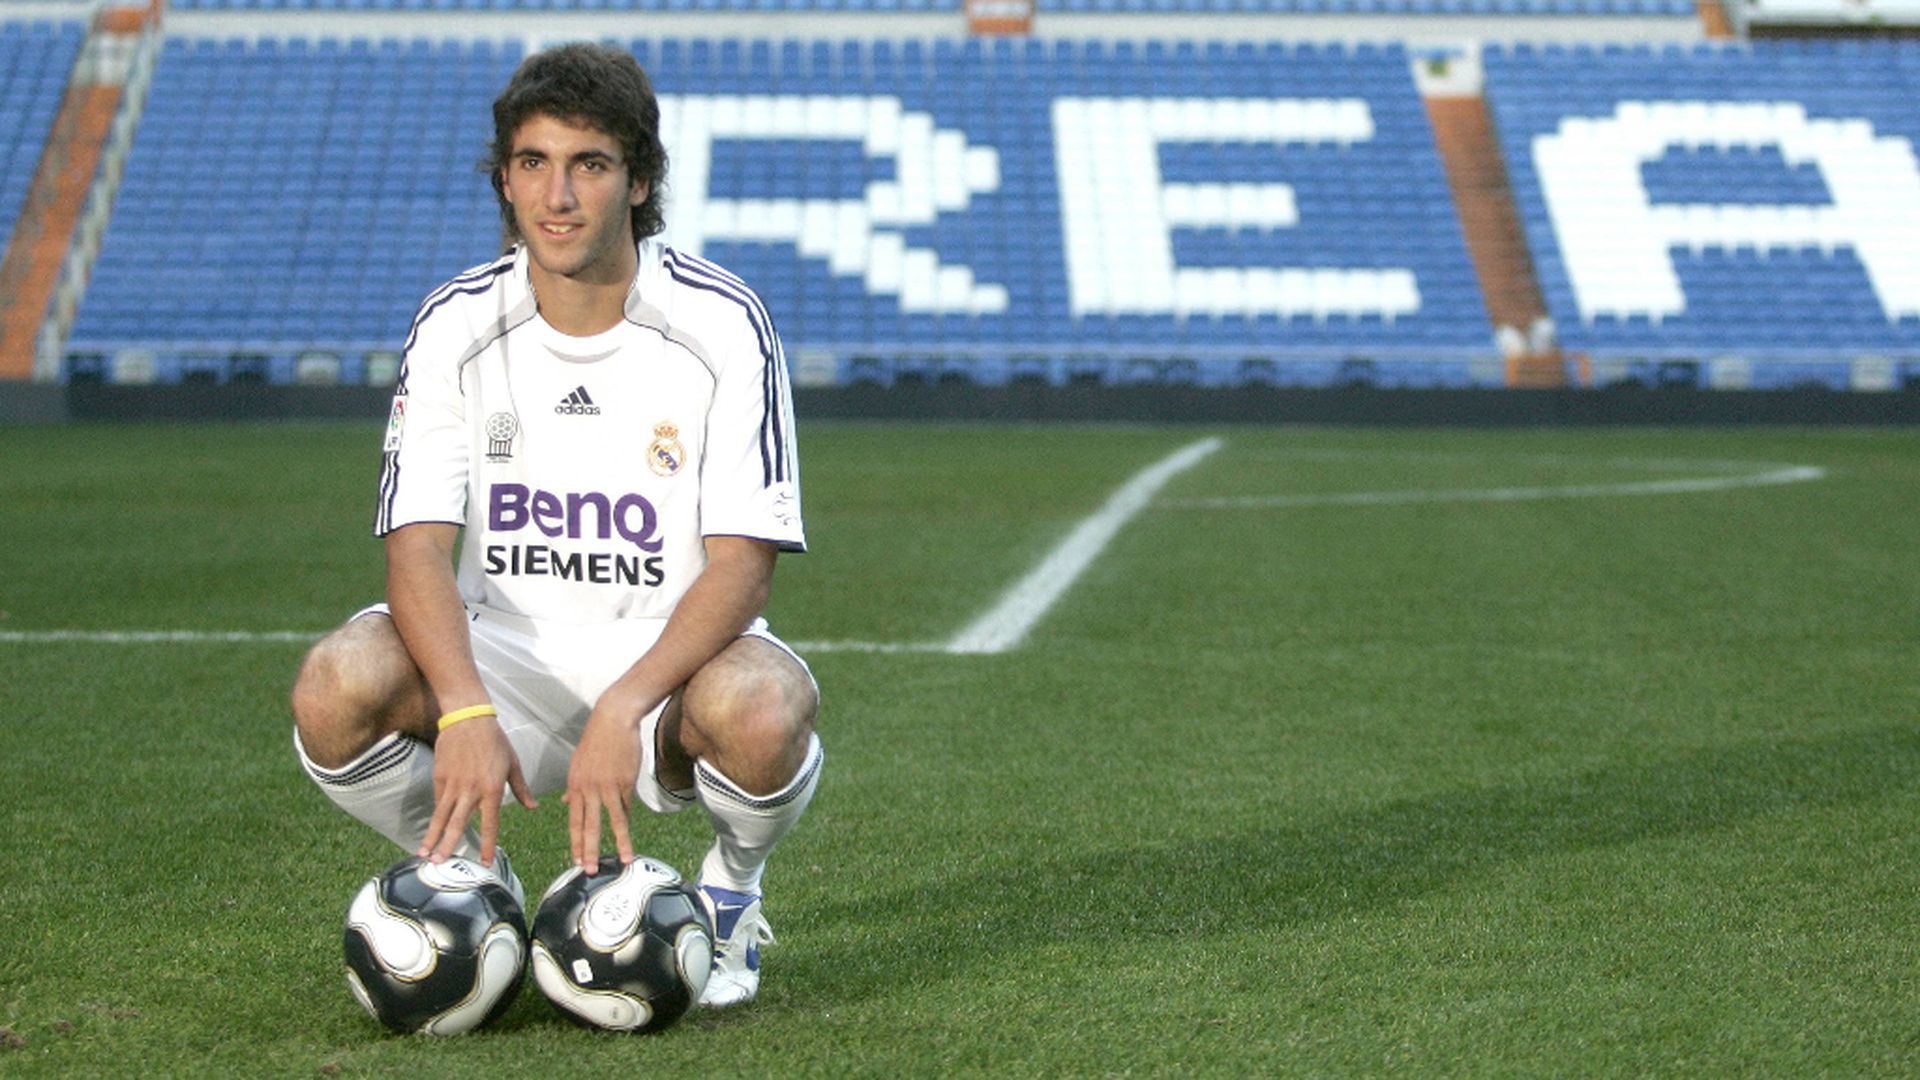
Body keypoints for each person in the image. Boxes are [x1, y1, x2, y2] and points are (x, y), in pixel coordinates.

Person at [289, 42, 820, 1009]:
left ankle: (730, 892)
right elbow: (416, 546)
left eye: (590, 164)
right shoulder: (454, 322)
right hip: (500, 654)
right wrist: (464, 708)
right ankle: (466, 872)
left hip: (665, 665)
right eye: (532, 163)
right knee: (335, 683)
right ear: (505, 178)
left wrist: (623, 705)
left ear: (640, 180)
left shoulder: (723, 323)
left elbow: (743, 565)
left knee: (766, 706)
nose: (558, 195)